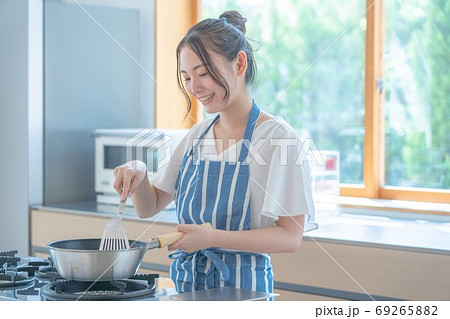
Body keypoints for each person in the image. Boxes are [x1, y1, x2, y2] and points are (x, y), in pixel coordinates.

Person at [113, 10, 317, 294]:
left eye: (203, 73)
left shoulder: (278, 139)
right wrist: (139, 170)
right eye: (186, 78)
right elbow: (149, 206)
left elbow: (290, 238)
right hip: (187, 289)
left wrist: (211, 239)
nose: (195, 88)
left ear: (240, 64)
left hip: (245, 295)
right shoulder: (198, 136)